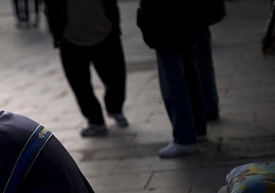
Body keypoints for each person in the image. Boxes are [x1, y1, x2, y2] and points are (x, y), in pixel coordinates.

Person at [137, 0, 220, 158]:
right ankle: (197, 129)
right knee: (190, 75)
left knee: (173, 81)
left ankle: (185, 138)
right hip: (186, 19)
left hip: (165, 22)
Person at [44, 0, 129, 138]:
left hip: (104, 31)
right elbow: (51, 6)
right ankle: (95, 120)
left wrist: (114, 25)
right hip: (70, 38)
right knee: (80, 85)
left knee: (116, 77)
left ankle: (115, 108)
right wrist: (57, 32)